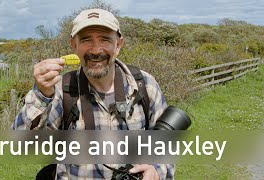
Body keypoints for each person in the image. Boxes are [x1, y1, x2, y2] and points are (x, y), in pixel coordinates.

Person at [12, 8, 175, 179]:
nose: (96, 50)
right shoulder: (61, 89)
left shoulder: (145, 85)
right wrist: (42, 95)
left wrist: (157, 170)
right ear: (74, 45)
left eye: (105, 39)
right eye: (86, 40)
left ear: (118, 45)